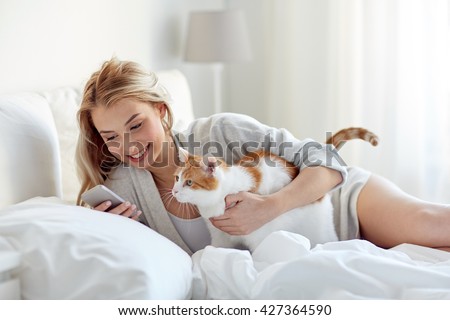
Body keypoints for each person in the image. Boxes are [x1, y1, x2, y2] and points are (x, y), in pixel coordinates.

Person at [76, 58, 450, 255]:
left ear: (160, 111)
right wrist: (103, 229)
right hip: (311, 248)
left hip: (337, 205)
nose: (129, 146)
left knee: (431, 224)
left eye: (136, 125)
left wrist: (271, 205)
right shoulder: (123, 189)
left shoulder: (219, 132)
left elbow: (328, 161)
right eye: (112, 137)